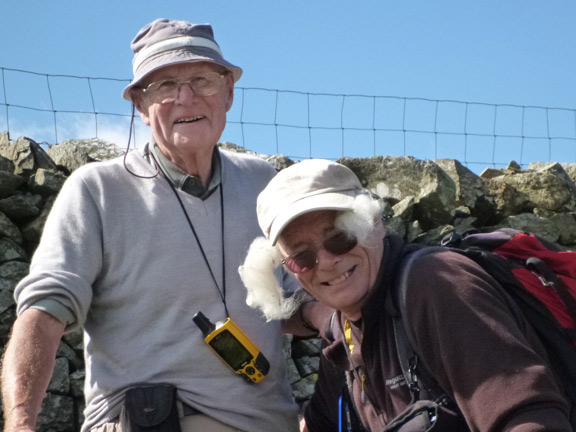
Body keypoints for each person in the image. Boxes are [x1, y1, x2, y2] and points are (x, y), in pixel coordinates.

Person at [1, 18, 300, 432]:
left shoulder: (265, 184)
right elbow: (44, 311)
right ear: (140, 106)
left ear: (229, 92)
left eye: (203, 80)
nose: (186, 97)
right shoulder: (97, 190)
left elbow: (308, 299)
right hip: (148, 422)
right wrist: (19, 424)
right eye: (164, 86)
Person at [239, 158, 573, 431]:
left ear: (374, 224)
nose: (325, 263)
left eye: (339, 238)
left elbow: (528, 418)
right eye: (301, 257)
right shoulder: (346, 333)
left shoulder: (435, 284)